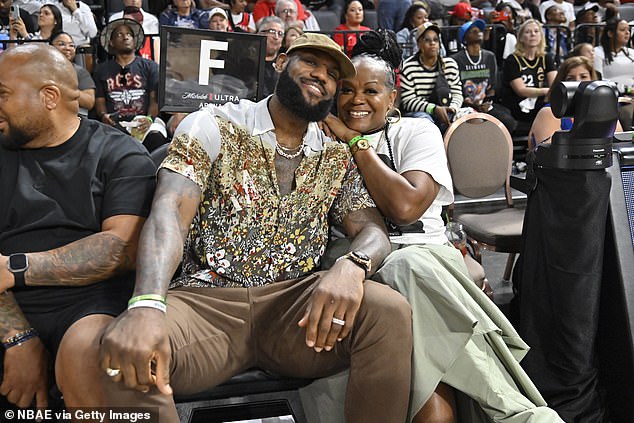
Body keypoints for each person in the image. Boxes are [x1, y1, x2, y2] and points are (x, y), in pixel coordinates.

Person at [99, 32, 413, 423]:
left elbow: (372, 230)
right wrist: (147, 303)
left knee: (389, 311)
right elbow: (170, 211)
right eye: (310, 62)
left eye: (332, 74)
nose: (321, 76)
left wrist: (353, 265)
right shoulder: (214, 124)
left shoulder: (335, 153)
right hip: (207, 304)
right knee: (129, 354)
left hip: (294, 310)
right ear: (280, 63)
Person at [303, 29, 564, 423]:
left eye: (371, 90)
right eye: (346, 90)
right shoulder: (320, 140)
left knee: (408, 268)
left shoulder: (415, 130)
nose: (357, 99)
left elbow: (406, 206)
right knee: (404, 292)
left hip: (425, 254)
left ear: (393, 97)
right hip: (356, 263)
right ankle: (520, 413)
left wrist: (355, 145)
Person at [0, 43, 155, 413]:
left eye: (2, 94)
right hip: (6, 303)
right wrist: (16, 337)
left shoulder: (120, 154)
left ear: (50, 96)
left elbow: (120, 250)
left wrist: (13, 268)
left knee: (92, 356)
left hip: (89, 300)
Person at [527, 55, 623, 150]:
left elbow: (617, 146)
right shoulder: (549, 112)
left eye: (583, 76)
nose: (578, 82)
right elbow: (550, 154)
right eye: (570, 78)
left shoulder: (604, 112)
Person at [93, 19, 159, 139]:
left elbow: (154, 99)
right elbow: (100, 100)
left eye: (129, 34)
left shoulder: (150, 66)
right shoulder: (101, 70)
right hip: (114, 123)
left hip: (143, 120)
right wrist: (103, 116)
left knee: (156, 135)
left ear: (135, 41)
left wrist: (149, 118)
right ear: (111, 42)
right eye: (120, 34)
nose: (126, 37)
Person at [451, 19, 517, 132]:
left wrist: (487, 103)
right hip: (463, 106)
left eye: (480, 30)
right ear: (464, 38)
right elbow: (454, 90)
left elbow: (492, 88)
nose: (478, 31)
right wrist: (473, 105)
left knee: (509, 120)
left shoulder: (489, 56)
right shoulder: (455, 59)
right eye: (473, 30)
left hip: (484, 103)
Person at [400, 21, 463, 133]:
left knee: (470, 118)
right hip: (421, 112)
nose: (432, 43)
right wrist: (434, 109)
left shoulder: (450, 65)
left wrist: (452, 108)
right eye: (427, 40)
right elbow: (408, 101)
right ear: (419, 44)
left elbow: (457, 93)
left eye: (435, 40)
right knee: (426, 123)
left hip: (447, 108)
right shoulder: (408, 67)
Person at [500, 19, 556, 135]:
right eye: (528, 32)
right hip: (517, 104)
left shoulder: (546, 58)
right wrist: (547, 91)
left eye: (536, 31)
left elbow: (555, 84)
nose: (533, 34)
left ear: (541, 36)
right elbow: (521, 91)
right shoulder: (512, 60)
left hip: (540, 102)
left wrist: (550, 91)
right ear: (520, 38)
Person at [594, 18, 634, 130]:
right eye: (622, 30)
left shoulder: (632, 53)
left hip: (631, 95)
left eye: (628, 30)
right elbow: (598, 80)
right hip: (614, 97)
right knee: (627, 111)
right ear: (610, 33)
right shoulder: (598, 53)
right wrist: (625, 91)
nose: (627, 33)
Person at [50, 31, 95, 117]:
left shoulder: (80, 72)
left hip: (76, 117)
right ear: (50, 47)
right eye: (61, 44)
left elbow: (89, 102)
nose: (67, 48)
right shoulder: (42, 70)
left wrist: (64, 88)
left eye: (71, 45)